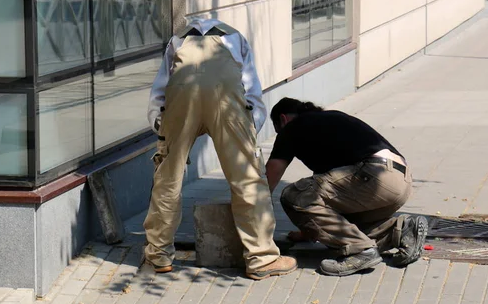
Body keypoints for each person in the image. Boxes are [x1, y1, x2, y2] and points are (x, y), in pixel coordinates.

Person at [143, 18, 297, 280]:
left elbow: (159, 92)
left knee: (168, 178)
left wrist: (164, 132)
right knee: (247, 179)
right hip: (227, 102)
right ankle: (262, 258)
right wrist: (249, 136)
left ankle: (158, 256)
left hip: (182, 97)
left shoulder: (178, 40)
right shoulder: (235, 37)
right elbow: (251, 90)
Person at [265, 97, 428, 276]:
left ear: (283, 119)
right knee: (338, 227)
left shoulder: (292, 128)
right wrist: (307, 232)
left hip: (373, 177)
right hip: (400, 181)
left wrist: (246, 219)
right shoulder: (329, 120)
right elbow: (323, 205)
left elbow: (267, 183)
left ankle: (360, 251)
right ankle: (401, 230)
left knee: (293, 195)